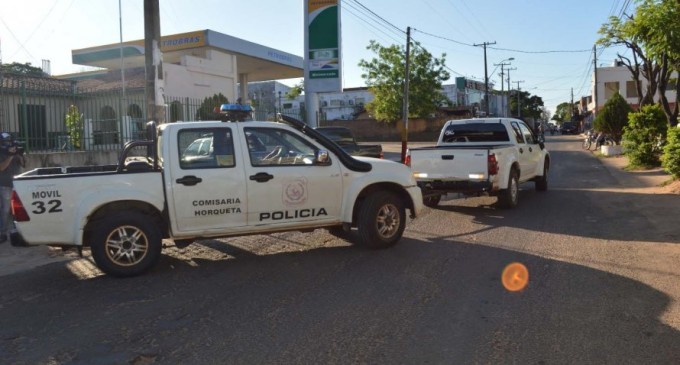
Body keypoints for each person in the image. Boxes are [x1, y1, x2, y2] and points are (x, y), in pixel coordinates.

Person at [0, 132, 25, 243]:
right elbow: (1, 168)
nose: (8, 143)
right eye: (6, 142)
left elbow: (24, 164)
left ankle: (18, 232)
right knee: (5, 210)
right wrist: (10, 156)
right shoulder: (2, 153)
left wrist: (20, 154)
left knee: (18, 209)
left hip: (18, 184)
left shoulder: (15, 150)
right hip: (5, 185)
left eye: (9, 141)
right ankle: (2, 233)